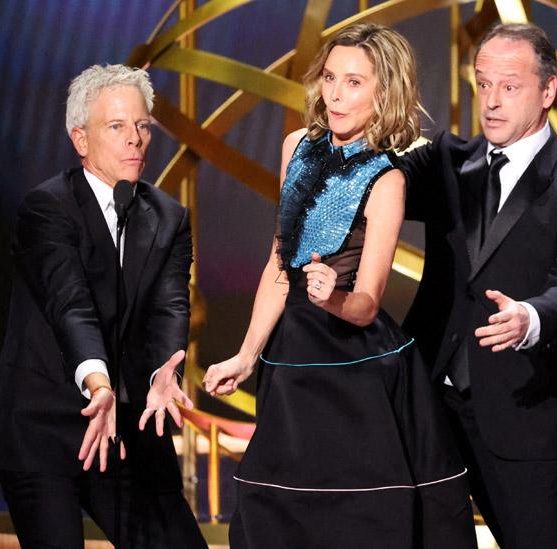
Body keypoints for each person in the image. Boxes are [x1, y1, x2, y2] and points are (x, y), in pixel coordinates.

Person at [202, 24, 476, 549]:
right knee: (280, 516)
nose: (335, 93)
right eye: (330, 77)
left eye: (354, 82)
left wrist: (331, 296)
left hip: (356, 369)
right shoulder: (295, 147)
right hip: (291, 359)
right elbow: (280, 266)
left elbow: (367, 304)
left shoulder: (387, 181)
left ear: (383, 94)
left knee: (357, 520)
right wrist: (246, 355)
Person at [399, 23, 557, 549]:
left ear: (548, 91)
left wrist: (529, 318)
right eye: (483, 84)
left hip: (520, 409)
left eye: (510, 86)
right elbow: (375, 186)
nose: (492, 102)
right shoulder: (449, 162)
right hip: (430, 405)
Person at [0, 64, 206, 548]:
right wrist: (98, 382)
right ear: (80, 139)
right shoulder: (48, 208)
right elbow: (71, 305)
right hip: (44, 425)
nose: (135, 140)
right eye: (117, 126)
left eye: (143, 126)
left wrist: (163, 373)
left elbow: (170, 306)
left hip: (125, 426)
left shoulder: (168, 216)